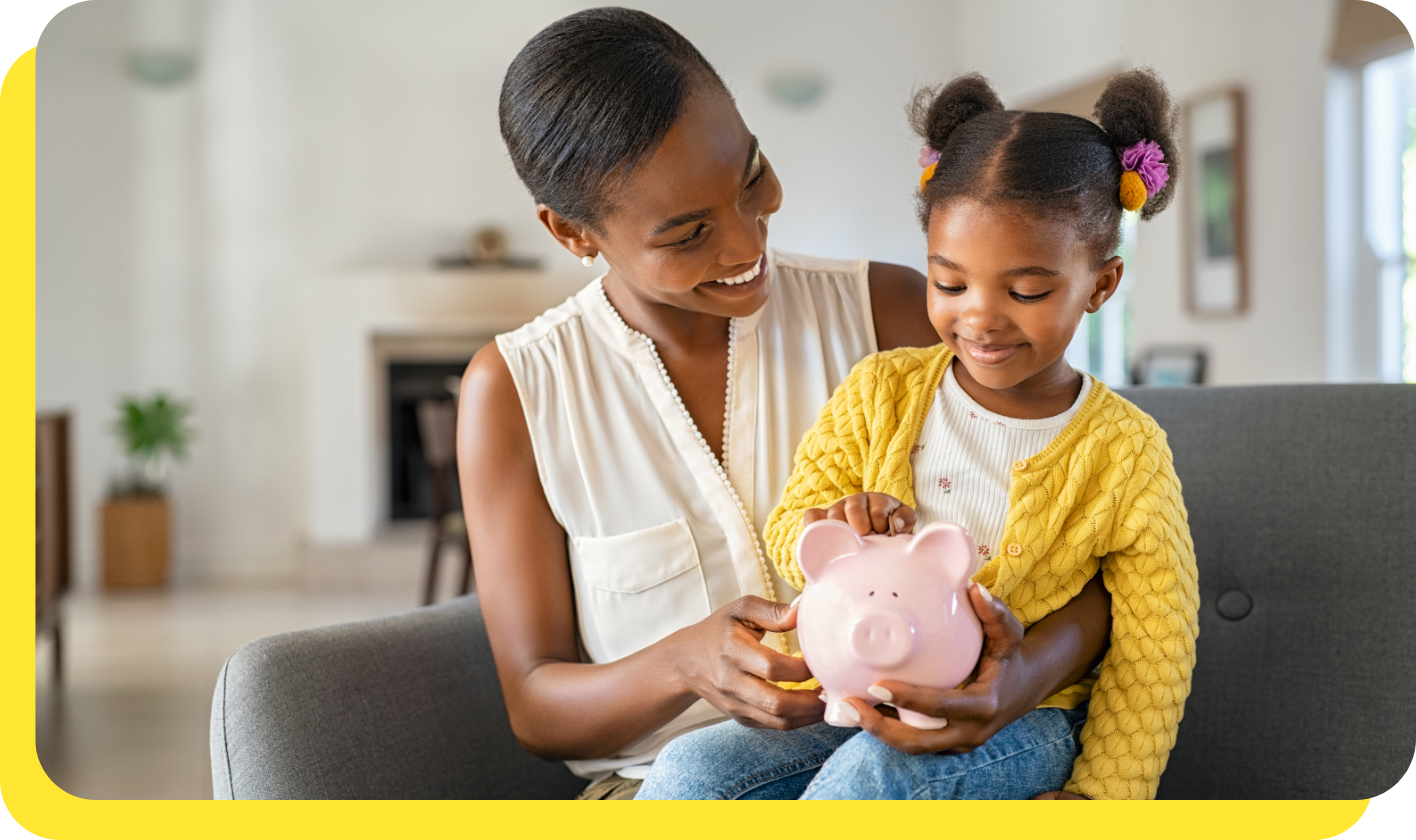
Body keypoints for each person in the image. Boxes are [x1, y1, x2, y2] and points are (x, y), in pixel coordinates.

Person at [457, 7, 1114, 801]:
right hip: (661, 791)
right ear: (572, 232)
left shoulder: (893, 316)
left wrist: (1021, 681)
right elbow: (536, 707)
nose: (745, 244)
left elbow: (1096, 546)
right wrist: (681, 663)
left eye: (751, 176)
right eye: (688, 232)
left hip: (907, 760)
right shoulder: (517, 391)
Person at [636, 69, 1199, 800]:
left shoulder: (1127, 453)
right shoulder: (883, 390)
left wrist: (1106, 796)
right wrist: (834, 524)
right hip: (854, 698)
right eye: (950, 283)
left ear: (1100, 284)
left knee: (868, 783)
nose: (981, 317)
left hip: (1021, 722)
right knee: (690, 772)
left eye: (1026, 291)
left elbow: (1157, 643)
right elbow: (789, 528)